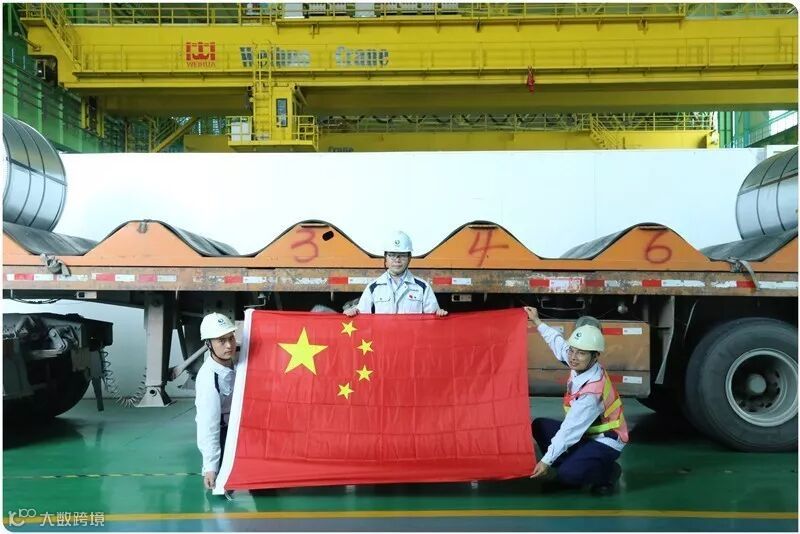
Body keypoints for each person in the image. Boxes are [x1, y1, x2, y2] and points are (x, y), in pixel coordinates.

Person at [524, 306, 626, 495]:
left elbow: (569, 430)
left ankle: (608, 472)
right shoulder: (579, 361)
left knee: (567, 475)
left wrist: (546, 462)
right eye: (572, 350)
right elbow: (558, 344)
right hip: (586, 434)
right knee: (539, 426)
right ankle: (578, 463)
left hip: (605, 440)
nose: (573, 357)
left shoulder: (592, 392)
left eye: (580, 353)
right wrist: (537, 321)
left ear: (595, 356)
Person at [344, 230, 447, 316]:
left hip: (411, 335)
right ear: (385, 258)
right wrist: (355, 311)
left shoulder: (423, 287)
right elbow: (363, 318)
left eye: (402, 255)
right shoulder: (373, 287)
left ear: (409, 258)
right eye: (392, 255)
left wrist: (438, 314)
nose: (397, 260)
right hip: (384, 335)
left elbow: (432, 321)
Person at [195, 312, 238, 491]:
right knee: (223, 482)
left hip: (242, 426)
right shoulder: (208, 379)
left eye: (231, 338)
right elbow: (208, 425)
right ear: (208, 344)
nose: (229, 345)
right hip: (224, 432)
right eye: (221, 341)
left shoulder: (238, 360)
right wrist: (210, 467)